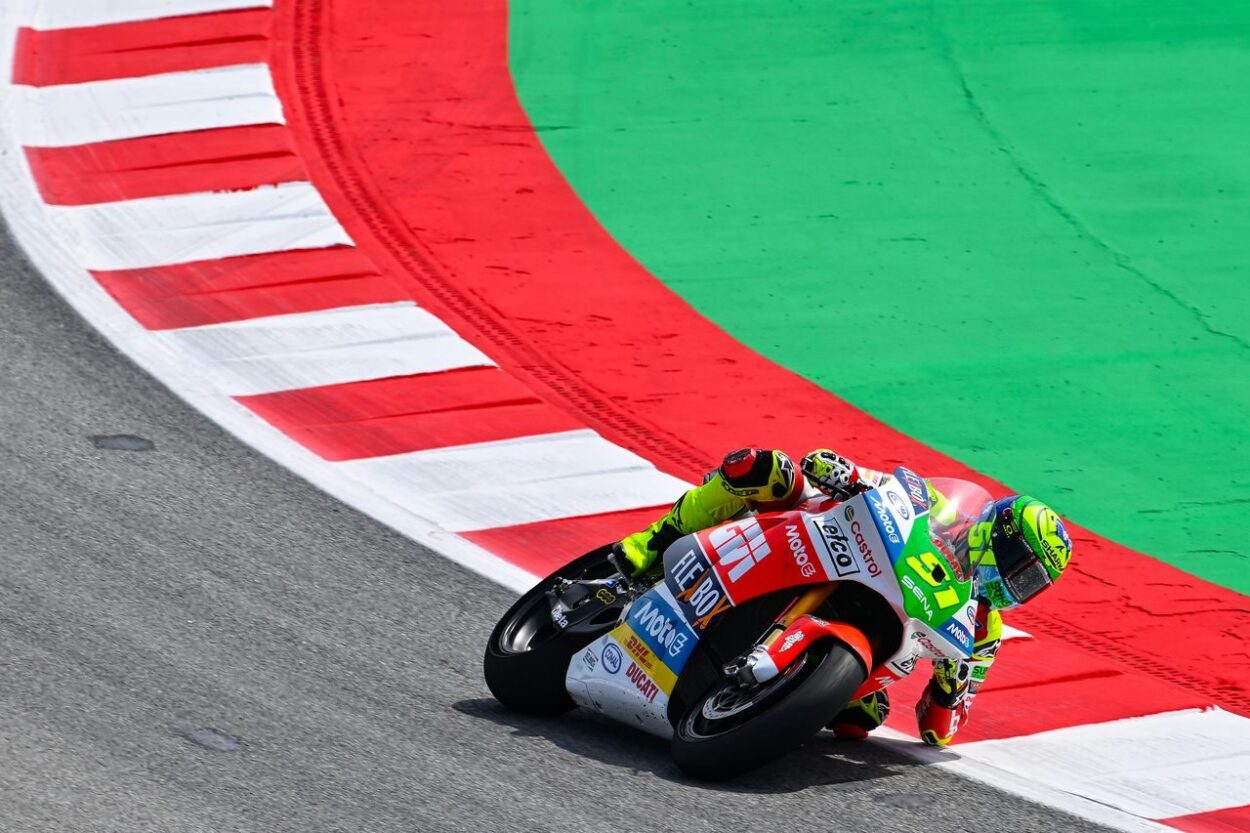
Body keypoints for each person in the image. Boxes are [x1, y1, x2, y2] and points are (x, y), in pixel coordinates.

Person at [614, 447, 1073, 747]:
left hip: (874, 640)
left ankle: (773, 702)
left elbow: (938, 731)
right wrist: (845, 473)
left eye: (1029, 584)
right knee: (765, 469)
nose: (1012, 585)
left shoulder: (984, 631)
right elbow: (867, 480)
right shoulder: (940, 507)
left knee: (862, 719)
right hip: (830, 546)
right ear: (995, 534)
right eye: (1016, 566)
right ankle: (648, 546)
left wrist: (953, 687)